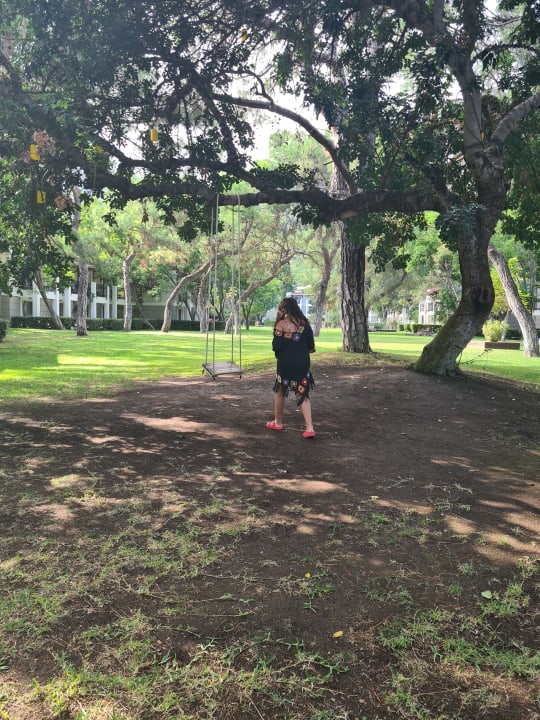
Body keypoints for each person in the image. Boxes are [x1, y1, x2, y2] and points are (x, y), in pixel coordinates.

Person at [265, 296, 316, 438]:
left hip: (285, 363)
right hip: (302, 362)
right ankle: (309, 428)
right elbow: (311, 346)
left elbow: (276, 347)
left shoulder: (280, 325)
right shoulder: (304, 323)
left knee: (280, 389)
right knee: (302, 392)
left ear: (282, 309)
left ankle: (278, 422)